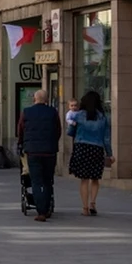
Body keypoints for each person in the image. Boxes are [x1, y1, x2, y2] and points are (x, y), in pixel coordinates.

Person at [17, 89, 61, 222]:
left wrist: (21, 143)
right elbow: (58, 130)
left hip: (33, 151)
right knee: (47, 180)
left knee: (36, 181)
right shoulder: (53, 112)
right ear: (47, 100)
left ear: (34, 99)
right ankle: (47, 208)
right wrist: (52, 142)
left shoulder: (26, 112)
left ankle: (41, 211)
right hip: (49, 151)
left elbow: (20, 129)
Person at [68, 90, 113, 216]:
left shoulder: (78, 115)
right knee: (95, 178)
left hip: (82, 148)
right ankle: (93, 203)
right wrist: (110, 154)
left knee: (84, 179)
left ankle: (85, 208)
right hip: (96, 149)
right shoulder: (103, 118)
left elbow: (70, 132)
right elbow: (106, 138)